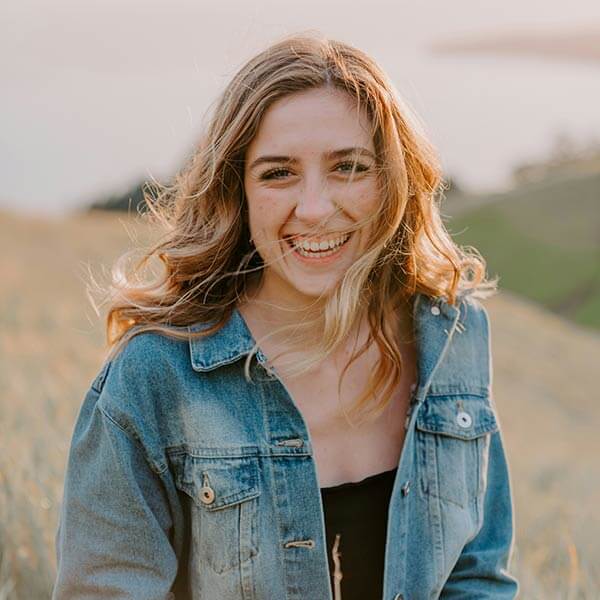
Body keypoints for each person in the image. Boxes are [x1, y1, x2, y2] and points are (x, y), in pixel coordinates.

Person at [52, 32, 518, 599]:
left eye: (348, 167)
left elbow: (473, 577)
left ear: (393, 180)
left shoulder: (452, 339)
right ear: (238, 191)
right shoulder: (155, 377)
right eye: (278, 173)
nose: (316, 207)